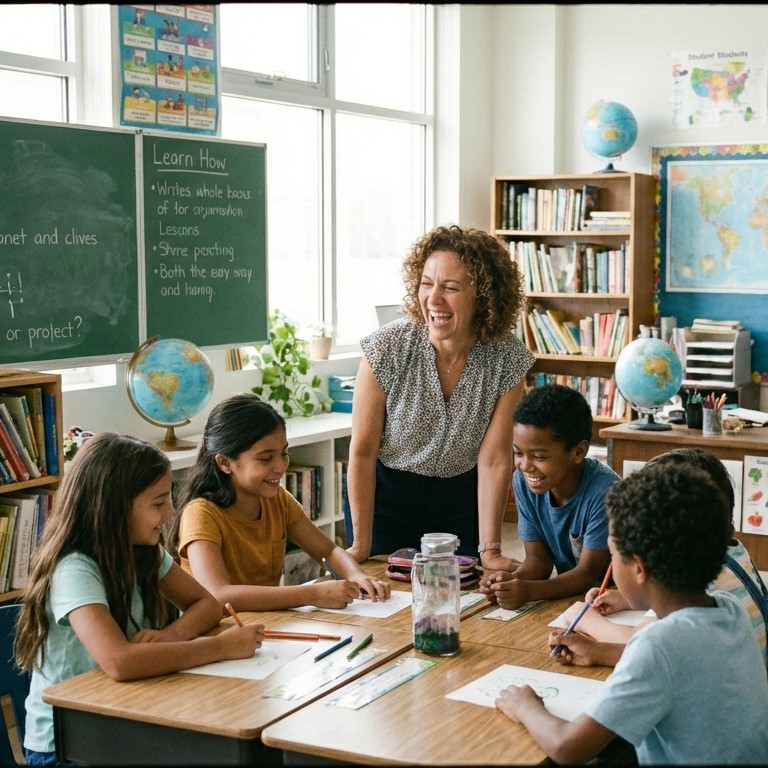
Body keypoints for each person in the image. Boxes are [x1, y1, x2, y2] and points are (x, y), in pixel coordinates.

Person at [14, 432, 264, 766]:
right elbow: (120, 662)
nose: (170, 512)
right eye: (159, 503)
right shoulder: (73, 567)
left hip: (128, 717)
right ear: (113, 508)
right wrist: (221, 648)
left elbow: (206, 604)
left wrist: (169, 637)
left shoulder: (143, 550)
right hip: (67, 746)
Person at [495, 461, 768, 765]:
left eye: (613, 555)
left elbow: (567, 749)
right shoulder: (729, 609)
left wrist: (526, 706)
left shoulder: (657, 645)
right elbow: (682, 665)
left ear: (639, 567)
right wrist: (598, 652)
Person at [344, 224, 535, 568]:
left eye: (450, 287)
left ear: (485, 295)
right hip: (387, 498)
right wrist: (360, 545)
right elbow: (362, 452)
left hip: (459, 499)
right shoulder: (385, 348)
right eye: (427, 284)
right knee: (385, 599)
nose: (434, 299)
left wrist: (490, 549)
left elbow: (494, 460)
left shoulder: (508, 359)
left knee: (457, 598)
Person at [550, 447, 768, 668]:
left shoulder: (696, 579)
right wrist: (627, 600)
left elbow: (641, 643)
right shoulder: (733, 553)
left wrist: (587, 621)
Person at [172, 393, 390, 610]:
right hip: (217, 636)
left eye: (284, 453)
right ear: (225, 462)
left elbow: (330, 551)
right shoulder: (201, 513)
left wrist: (357, 576)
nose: (280, 466)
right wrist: (312, 593)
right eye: (265, 458)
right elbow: (219, 595)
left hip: (265, 625)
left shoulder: (277, 500)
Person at [479, 384, 619, 610]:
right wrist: (508, 583)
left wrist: (528, 591)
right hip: (569, 596)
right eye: (517, 453)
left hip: (614, 599)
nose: (525, 466)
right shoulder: (523, 483)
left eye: (539, 456)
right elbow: (539, 562)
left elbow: (589, 574)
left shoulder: (605, 492)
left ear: (579, 452)